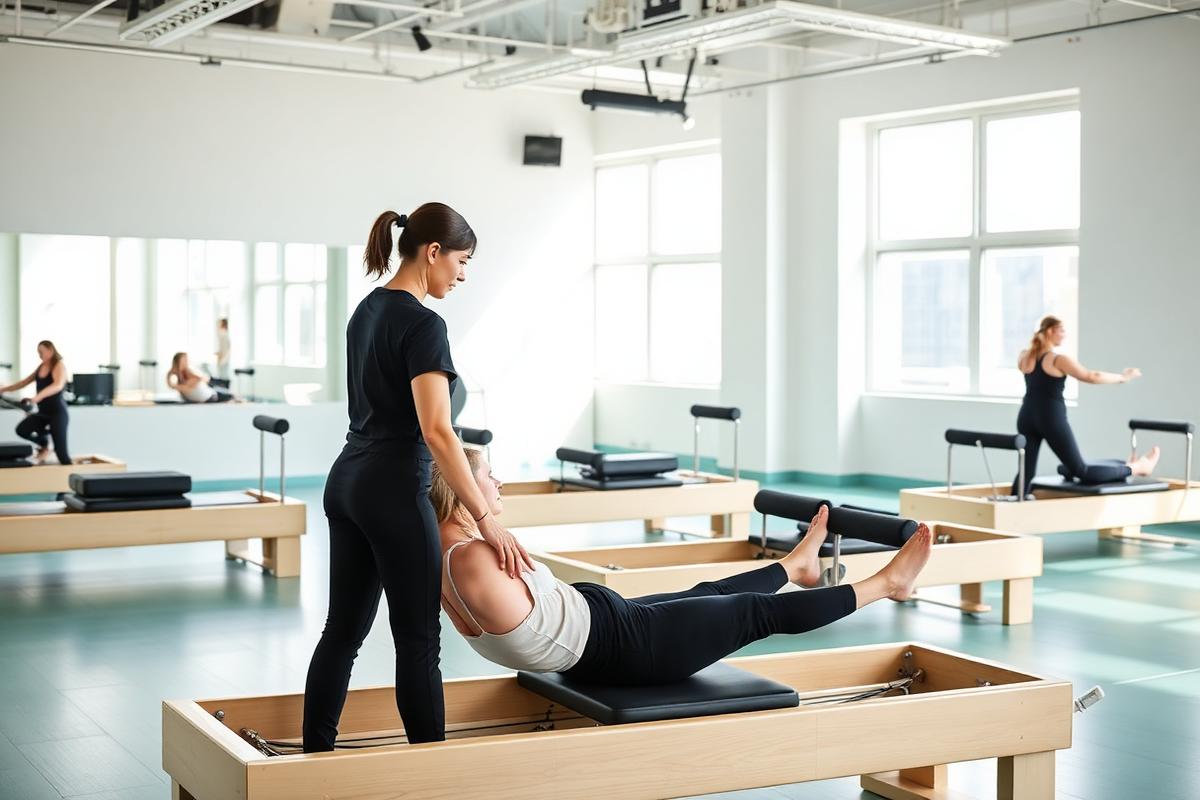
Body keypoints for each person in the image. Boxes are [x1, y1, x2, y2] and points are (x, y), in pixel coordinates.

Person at [302, 204, 534, 752]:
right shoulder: (425, 324)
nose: (462, 273)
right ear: (433, 252)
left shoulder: (366, 310)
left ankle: (313, 762)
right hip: (392, 492)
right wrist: (485, 517)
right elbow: (437, 430)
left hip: (347, 482)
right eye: (461, 260)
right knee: (417, 642)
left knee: (342, 631)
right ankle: (434, 773)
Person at [432, 447, 933, 686]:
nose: (499, 483)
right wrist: (492, 535)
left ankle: (794, 564)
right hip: (626, 648)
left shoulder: (444, 553)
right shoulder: (475, 559)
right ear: (462, 491)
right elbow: (531, 628)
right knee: (756, 613)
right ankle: (889, 582)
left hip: (613, 627)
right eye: (487, 475)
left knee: (710, 589)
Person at [1010, 315, 1159, 497]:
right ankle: (1138, 467)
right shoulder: (1057, 359)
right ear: (1050, 331)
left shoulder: (1025, 356)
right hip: (1050, 418)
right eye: (1062, 330)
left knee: (1026, 472)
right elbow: (1091, 376)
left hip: (1026, 417)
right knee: (1082, 471)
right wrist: (1123, 377)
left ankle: (1011, 507)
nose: (1065, 335)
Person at [0, 341, 71, 465]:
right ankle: (45, 444)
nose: (40, 355)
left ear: (50, 350)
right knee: (22, 429)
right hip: (43, 413)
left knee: (62, 455)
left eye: (41, 352)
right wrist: (3, 389)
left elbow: (57, 385)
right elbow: (23, 382)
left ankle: (72, 479)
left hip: (57, 413)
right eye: (38, 352)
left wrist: (37, 398)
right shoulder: (41, 367)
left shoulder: (58, 365)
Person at [166, 352, 234, 403]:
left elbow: (197, 379)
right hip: (206, 396)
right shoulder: (173, 373)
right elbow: (173, 385)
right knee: (228, 395)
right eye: (184, 360)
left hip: (209, 393)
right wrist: (189, 384)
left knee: (230, 395)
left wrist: (190, 382)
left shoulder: (187, 371)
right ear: (178, 361)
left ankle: (226, 386)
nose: (186, 362)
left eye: (186, 360)